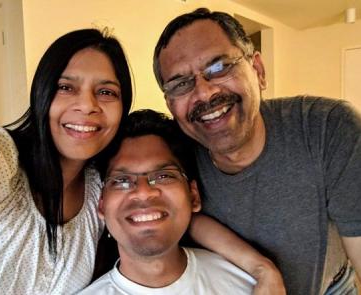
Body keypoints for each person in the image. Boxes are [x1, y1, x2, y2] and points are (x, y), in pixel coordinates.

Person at [0, 28, 281, 294]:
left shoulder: (98, 183)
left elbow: (170, 214)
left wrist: (261, 268)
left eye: (106, 92)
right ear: (43, 94)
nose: (88, 105)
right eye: (67, 87)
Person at [153, 7, 361, 295]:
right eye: (180, 84)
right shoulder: (176, 151)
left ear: (258, 71)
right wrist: (260, 266)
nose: (204, 93)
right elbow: (178, 215)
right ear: (170, 106)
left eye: (219, 67)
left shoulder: (327, 127)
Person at [80, 109, 257, 294]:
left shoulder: (250, 284)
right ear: (101, 204)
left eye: (163, 176)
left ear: (193, 196)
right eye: (122, 181)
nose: (143, 192)